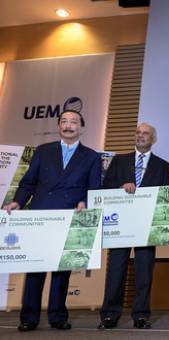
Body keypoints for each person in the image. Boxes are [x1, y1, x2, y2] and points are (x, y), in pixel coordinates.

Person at [3, 110, 102, 332]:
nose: (68, 125)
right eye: (64, 121)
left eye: (73, 122)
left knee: (62, 269)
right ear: (58, 126)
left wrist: (85, 201)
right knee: (35, 268)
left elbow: (94, 188)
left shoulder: (92, 156)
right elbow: (28, 182)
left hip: (68, 217)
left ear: (81, 127)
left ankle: (57, 316)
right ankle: (29, 317)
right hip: (40, 216)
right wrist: (18, 201)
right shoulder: (43, 151)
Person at [98, 123, 169, 330]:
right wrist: (120, 187)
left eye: (145, 133)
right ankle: (110, 315)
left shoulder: (163, 166)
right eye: (138, 132)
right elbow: (105, 187)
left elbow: (163, 197)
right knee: (116, 270)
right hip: (121, 225)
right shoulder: (119, 161)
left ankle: (141, 315)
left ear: (153, 139)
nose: (141, 136)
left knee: (144, 271)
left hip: (147, 226)